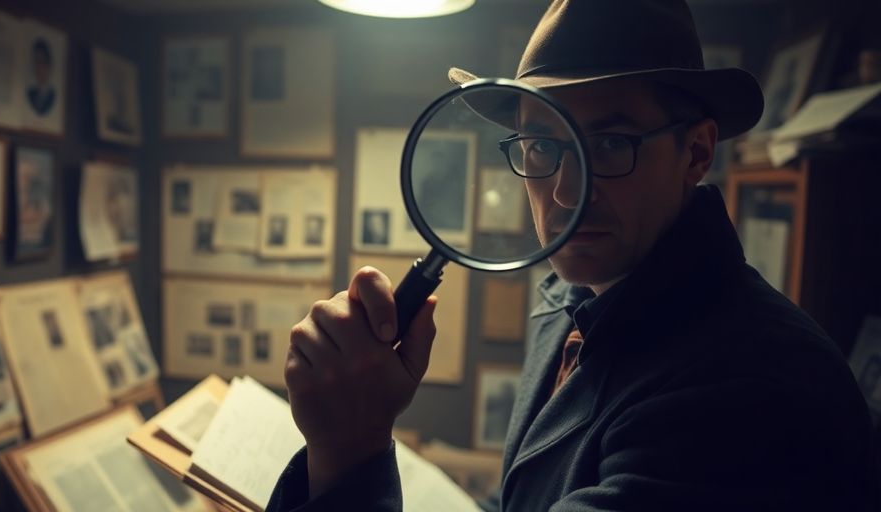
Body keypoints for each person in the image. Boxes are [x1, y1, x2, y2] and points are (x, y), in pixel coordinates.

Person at [267, 1, 877, 511]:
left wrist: (351, 452)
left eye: (610, 143)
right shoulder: (574, 303)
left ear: (695, 153)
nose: (564, 191)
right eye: (541, 146)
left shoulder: (748, 394)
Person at [26, 39, 56, 116]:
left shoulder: (52, 95)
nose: (38, 68)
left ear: (48, 65)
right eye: (35, 62)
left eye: (41, 62)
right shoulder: (30, 93)